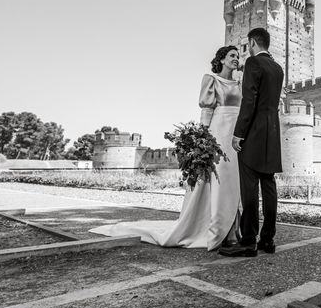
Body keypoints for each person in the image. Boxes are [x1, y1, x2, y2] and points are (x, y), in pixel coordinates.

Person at [90, 46, 242, 250]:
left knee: (235, 181)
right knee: (220, 180)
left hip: (235, 134)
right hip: (219, 132)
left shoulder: (239, 84)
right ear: (222, 59)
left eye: (237, 56)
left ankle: (233, 228)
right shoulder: (211, 80)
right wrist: (202, 137)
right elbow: (207, 110)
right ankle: (223, 231)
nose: (236, 58)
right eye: (232, 55)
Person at [219, 28, 284, 258]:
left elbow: (249, 101)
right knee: (269, 187)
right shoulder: (278, 68)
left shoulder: (253, 64)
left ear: (252, 42)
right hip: (272, 133)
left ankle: (248, 242)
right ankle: (268, 239)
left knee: (249, 189)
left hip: (253, 133)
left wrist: (238, 133)